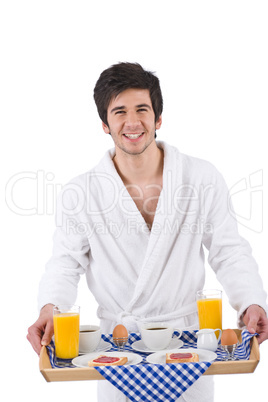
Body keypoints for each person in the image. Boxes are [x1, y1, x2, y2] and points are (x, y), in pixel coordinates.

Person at [27, 62, 268, 401]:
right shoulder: (80, 192)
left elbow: (229, 250)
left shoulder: (200, 178)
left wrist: (251, 301)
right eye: (119, 111)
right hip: (117, 349)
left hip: (187, 346)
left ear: (158, 119)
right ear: (104, 124)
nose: (132, 122)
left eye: (142, 109)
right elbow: (64, 264)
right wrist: (48, 308)